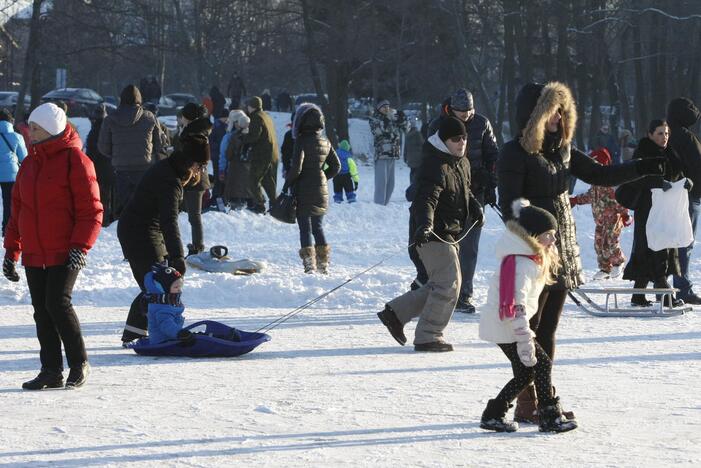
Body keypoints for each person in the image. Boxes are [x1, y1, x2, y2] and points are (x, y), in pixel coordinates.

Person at [498, 82, 665, 422]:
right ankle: (529, 399)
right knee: (528, 325)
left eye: (561, 110)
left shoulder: (562, 149)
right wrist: (540, 223)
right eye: (551, 110)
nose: (558, 117)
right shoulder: (515, 153)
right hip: (531, 247)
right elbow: (511, 205)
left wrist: (641, 166)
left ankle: (542, 398)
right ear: (534, 115)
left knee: (549, 327)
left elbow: (600, 174)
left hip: (561, 246)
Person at [3, 103, 103, 389]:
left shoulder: (76, 161)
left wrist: (80, 246)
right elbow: (17, 211)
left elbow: (92, 210)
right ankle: (51, 370)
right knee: (41, 309)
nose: (29, 133)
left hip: (65, 249)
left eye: (34, 128)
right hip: (35, 250)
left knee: (57, 303)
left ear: (50, 129)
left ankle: (79, 362)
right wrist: (12, 250)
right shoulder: (29, 163)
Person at [377, 117, 483, 352]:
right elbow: (425, 200)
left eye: (465, 137)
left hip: (449, 233)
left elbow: (464, 190)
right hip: (431, 234)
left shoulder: (460, 162)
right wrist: (425, 225)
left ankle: (395, 313)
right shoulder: (433, 164)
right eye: (456, 139)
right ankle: (428, 335)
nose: (462, 142)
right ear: (444, 141)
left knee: (441, 284)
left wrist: (474, 206)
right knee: (449, 284)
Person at [478, 199, 577, 433]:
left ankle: (493, 415)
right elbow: (516, 304)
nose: (553, 240)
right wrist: (524, 338)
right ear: (533, 235)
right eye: (548, 235)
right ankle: (549, 416)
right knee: (540, 365)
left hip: (507, 324)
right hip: (509, 325)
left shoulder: (527, 258)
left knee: (527, 371)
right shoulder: (521, 263)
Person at [118, 134, 210, 344]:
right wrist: (177, 256)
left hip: (145, 228)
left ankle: (134, 333)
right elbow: (170, 221)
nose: (200, 172)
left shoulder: (170, 169)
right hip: (138, 231)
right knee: (157, 284)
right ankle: (142, 335)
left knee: (155, 284)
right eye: (200, 167)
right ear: (192, 164)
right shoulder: (170, 181)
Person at [428, 88, 499, 313]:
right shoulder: (439, 125)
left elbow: (493, 154)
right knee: (447, 245)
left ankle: (464, 294)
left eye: (470, 111)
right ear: (452, 109)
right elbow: (432, 158)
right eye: (462, 112)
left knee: (469, 246)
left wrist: (490, 180)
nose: (467, 115)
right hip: (448, 193)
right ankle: (440, 290)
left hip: (475, 193)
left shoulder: (482, 123)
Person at [622, 120, 689, 307]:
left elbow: (677, 174)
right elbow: (634, 179)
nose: (664, 137)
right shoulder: (643, 153)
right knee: (652, 247)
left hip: (666, 209)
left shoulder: (670, 152)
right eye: (660, 133)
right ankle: (666, 295)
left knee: (663, 246)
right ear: (650, 134)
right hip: (648, 209)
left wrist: (684, 182)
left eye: (666, 133)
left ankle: (638, 295)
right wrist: (657, 182)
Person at [283, 103, 340, 274]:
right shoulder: (325, 140)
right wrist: (322, 177)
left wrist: (287, 185)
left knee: (305, 227)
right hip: (320, 189)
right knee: (318, 227)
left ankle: (309, 265)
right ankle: (323, 265)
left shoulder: (301, 141)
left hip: (303, 189)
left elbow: (296, 168)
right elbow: (336, 166)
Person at [98, 84, 162, 219]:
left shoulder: (110, 120)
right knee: (144, 207)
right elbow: (160, 143)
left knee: (123, 208)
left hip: (121, 170)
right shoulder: (149, 117)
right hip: (145, 169)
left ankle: (125, 233)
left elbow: (103, 147)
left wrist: (116, 155)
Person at [570, 148, 630, 280]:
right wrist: (575, 200)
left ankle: (618, 263)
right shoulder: (595, 184)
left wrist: (625, 215)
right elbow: (590, 196)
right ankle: (605, 268)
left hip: (613, 219)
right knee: (599, 243)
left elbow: (618, 200)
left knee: (610, 241)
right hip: (600, 221)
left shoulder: (610, 182)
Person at [668, 97, 701, 305]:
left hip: (675, 194)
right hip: (690, 194)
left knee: (676, 242)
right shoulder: (686, 137)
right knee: (684, 242)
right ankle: (683, 287)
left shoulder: (668, 134)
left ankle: (676, 284)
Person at [177, 103, 213, 256]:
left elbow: (194, 157)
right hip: (192, 178)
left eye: (183, 116)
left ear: (188, 117)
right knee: (192, 215)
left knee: (194, 215)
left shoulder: (193, 133)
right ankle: (196, 245)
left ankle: (198, 246)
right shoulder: (194, 131)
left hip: (193, 179)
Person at [369, 99, 409, 205]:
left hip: (392, 154)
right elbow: (381, 131)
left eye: (387, 106)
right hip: (382, 154)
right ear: (378, 108)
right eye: (383, 106)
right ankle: (379, 205)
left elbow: (406, 129)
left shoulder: (392, 118)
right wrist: (390, 119)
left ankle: (384, 205)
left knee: (391, 184)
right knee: (381, 183)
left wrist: (402, 118)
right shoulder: (375, 118)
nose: (386, 108)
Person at [243, 96, 278, 214]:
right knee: (267, 180)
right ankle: (274, 204)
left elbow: (254, 136)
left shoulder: (256, 117)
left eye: (248, 105)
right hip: (272, 154)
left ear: (251, 106)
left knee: (253, 180)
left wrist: (242, 138)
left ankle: (260, 204)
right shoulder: (266, 116)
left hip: (261, 155)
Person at [85, 104, 116, 227]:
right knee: (111, 195)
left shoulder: (94, 131)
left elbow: (91, 152)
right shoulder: (110, 129)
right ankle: (110, 218)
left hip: (98, 167)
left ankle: (102, 219)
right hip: (111, 166)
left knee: (100, 195)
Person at [0, 108, 28, 236]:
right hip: (10, 175)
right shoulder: (16, 137)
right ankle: (7, 229)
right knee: (9, 203)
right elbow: (23, 158)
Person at [145, 263, 186, 345]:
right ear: (163, 288)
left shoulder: (169, 302)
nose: (179, 290)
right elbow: (166, 325)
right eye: (176, 287)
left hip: (172, 338)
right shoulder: (161, 306)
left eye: (180, 287)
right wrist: (180, 333)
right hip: (162, 342)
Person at [220, 110, 252, 209]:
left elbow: (225, 155)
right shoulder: (254, 135)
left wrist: (221, 169)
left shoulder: (231, 136)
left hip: (233, 171)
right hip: (250, 173)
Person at [209, 108, 229, 202]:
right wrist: (221, 145)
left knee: (219, 176)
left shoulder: (220, 125)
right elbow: (212, 141)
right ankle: (216, 196)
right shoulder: (218, 127)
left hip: (217, 155)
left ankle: (219, 196)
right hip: (217, 155)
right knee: (218, 177)